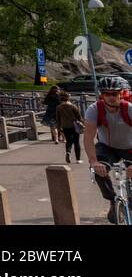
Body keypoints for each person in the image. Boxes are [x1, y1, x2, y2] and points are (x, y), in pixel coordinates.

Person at [83, 75, 132, 223]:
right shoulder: (94, 110)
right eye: (106, 93)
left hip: (130, 147)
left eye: (114, 94)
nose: (111, 97)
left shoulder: (129, 109)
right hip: (107, 147)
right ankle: (113, 201)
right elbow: (88, 138)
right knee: (97, 170)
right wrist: (93, 161)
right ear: (101, 95)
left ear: (121, 94)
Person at [55, 90, 83, 164]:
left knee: (68, 141)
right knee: (76, 142)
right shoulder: (73, 106)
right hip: (74, 126)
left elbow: (58, 118)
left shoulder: (58, 107)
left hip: (65, 126)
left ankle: (68, 152)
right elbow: (79, 116)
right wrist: (82, 123)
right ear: (68, 98)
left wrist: (59, 127)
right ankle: (78, 159)